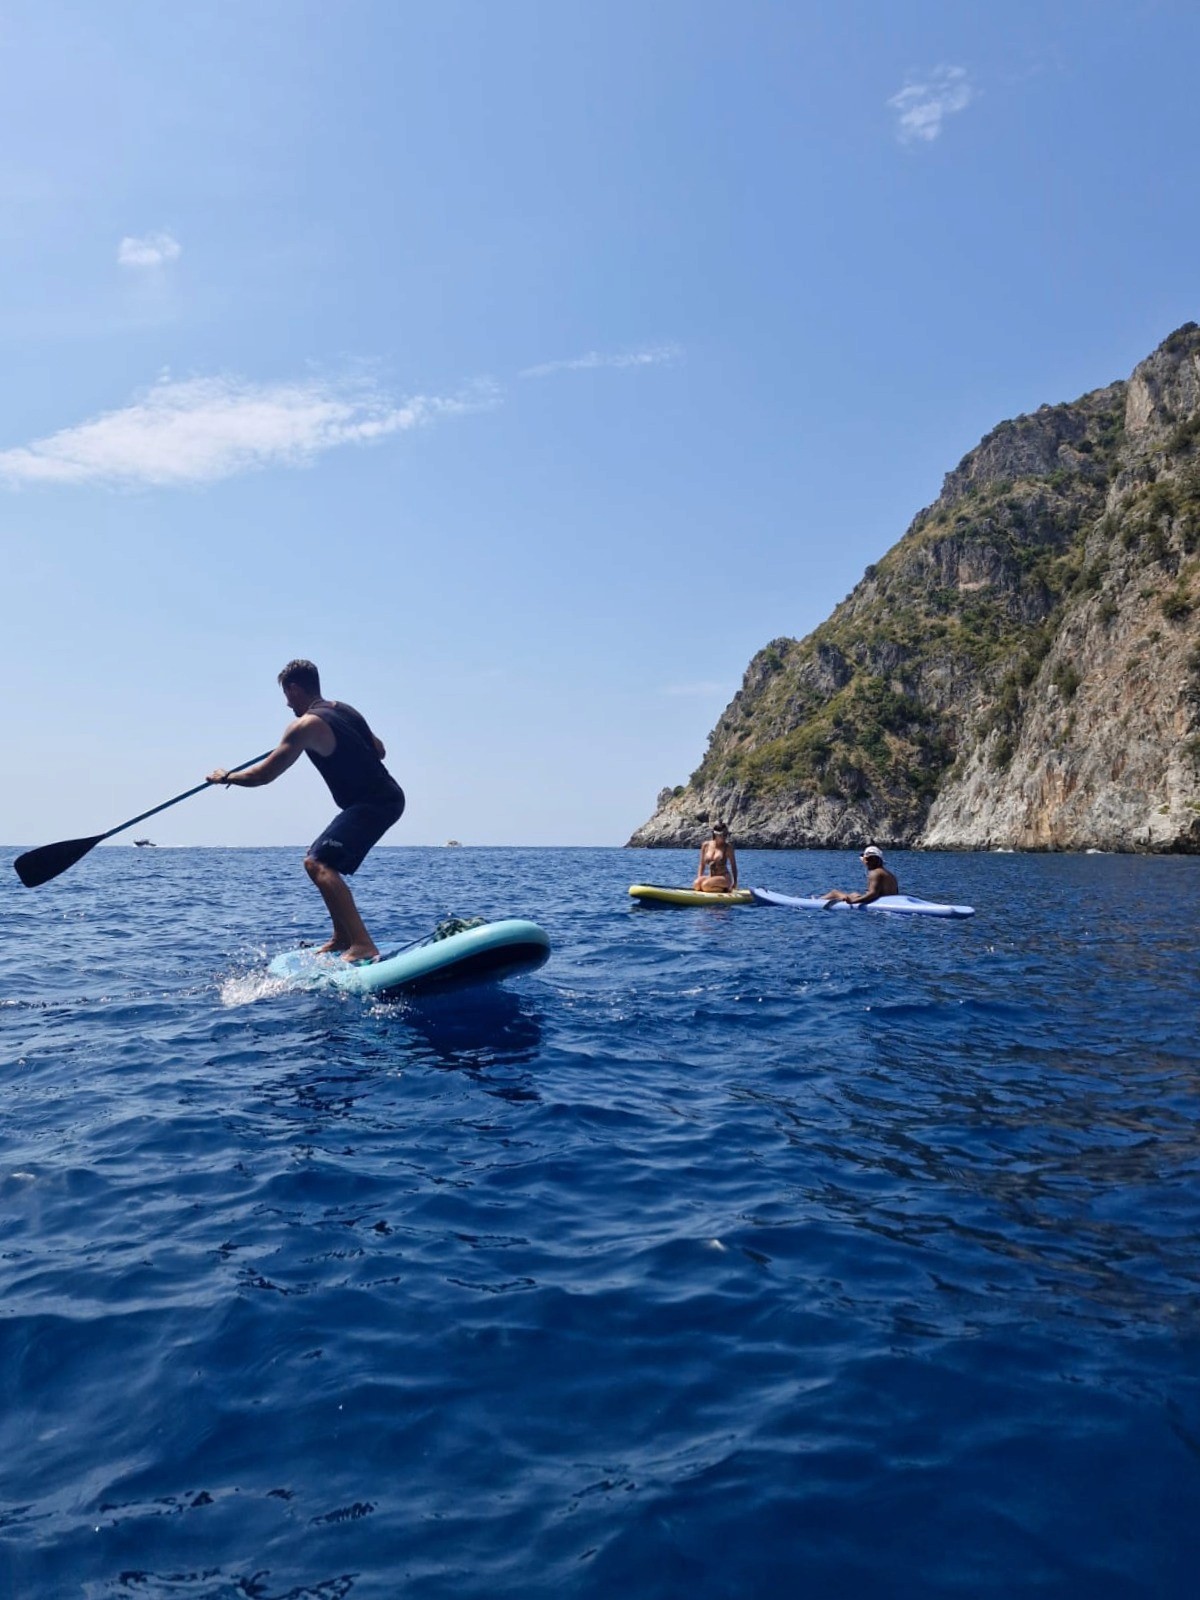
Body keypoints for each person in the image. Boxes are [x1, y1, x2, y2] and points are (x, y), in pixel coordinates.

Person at [208, 660, 404, 963]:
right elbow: (379, 750)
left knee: (317, 863)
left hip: (373, 802)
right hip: (385, 797)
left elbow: (263, 775)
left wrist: (227, 777)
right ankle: (343, 938)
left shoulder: (304, 726)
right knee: (319, 857)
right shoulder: (346, 710)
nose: (287, 704)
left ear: (294, 688)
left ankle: (363, 944)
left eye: (286, 695)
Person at [821, 844, 898, 907]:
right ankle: (820, 899)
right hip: (887, 901)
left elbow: (873, 894)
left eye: (870, 859)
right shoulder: (891, 875)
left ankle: (815, 901)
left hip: (878, 902)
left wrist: (853, 901)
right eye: (867, 859)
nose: (867, 862)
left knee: (835, 893)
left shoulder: (875, 873)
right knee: (854, 894)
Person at [693, 820, 738, 893]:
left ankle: (725, 888)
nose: (725, 837)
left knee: (705, 885)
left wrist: (735, 882)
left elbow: (733, 866)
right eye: (723, 834)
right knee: (696, 884)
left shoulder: (728, 848)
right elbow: (702, 864)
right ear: (716, 834)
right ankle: (714, 887)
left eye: (726, 834)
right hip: (711, 877)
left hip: (724, 878)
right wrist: (699, 877)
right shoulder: (706, 845)